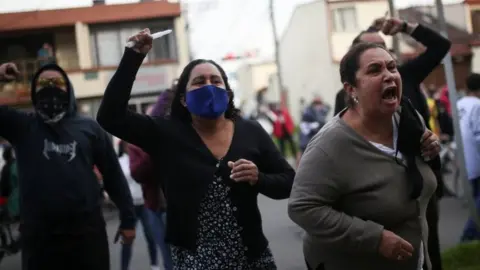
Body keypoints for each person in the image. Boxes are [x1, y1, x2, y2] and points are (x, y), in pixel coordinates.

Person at [97, 28, 295, 269]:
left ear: (227, 93)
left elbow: (289, 182)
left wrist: (259, 179)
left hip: (252, 258)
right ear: (183, 98)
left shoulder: (250, 131)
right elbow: (110, 117)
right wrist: (133, 58)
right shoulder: (166, 134)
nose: (209, 87)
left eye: (216, 81)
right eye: (199, 82)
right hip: (194, 260)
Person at [288, 43, 441, 270]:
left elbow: (415, 172)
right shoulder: (329, 146)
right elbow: (302, 208)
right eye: (375, 70)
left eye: (392, 67)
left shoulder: (408, 117)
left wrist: (431, 149)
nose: (389, 75)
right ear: (351, 89)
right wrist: (375, 239)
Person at [0, 62, 136, 270]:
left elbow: (112, 174)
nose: (51, 87)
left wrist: (128, 218)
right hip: (40, 241)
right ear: (34, 91)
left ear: (68, 89)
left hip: (87, 238)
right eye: (44, 83)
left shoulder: (89, 128)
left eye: (57, 82)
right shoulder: (22, 126)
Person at [129, 91, 174, 270]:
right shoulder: (137, 144)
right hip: (156, 208)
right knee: (168, 259)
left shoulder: (178, 137)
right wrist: (153, 148)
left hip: (181, 208)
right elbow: (137, 174)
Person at [117, 140, 160, 270]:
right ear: (122, 146)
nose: (129, 145)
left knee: (150, 237)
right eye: (126, 143)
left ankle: (155, 265)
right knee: (127, 240)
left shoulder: (140, 157)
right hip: (129, 207)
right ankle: (124, 267)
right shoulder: (120, 161)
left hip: (144, 203)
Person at [457, 73, 480, 241]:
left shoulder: (460, 104)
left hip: (464, 155)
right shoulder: (478, 105)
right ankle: (468, 235)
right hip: (476, 158)